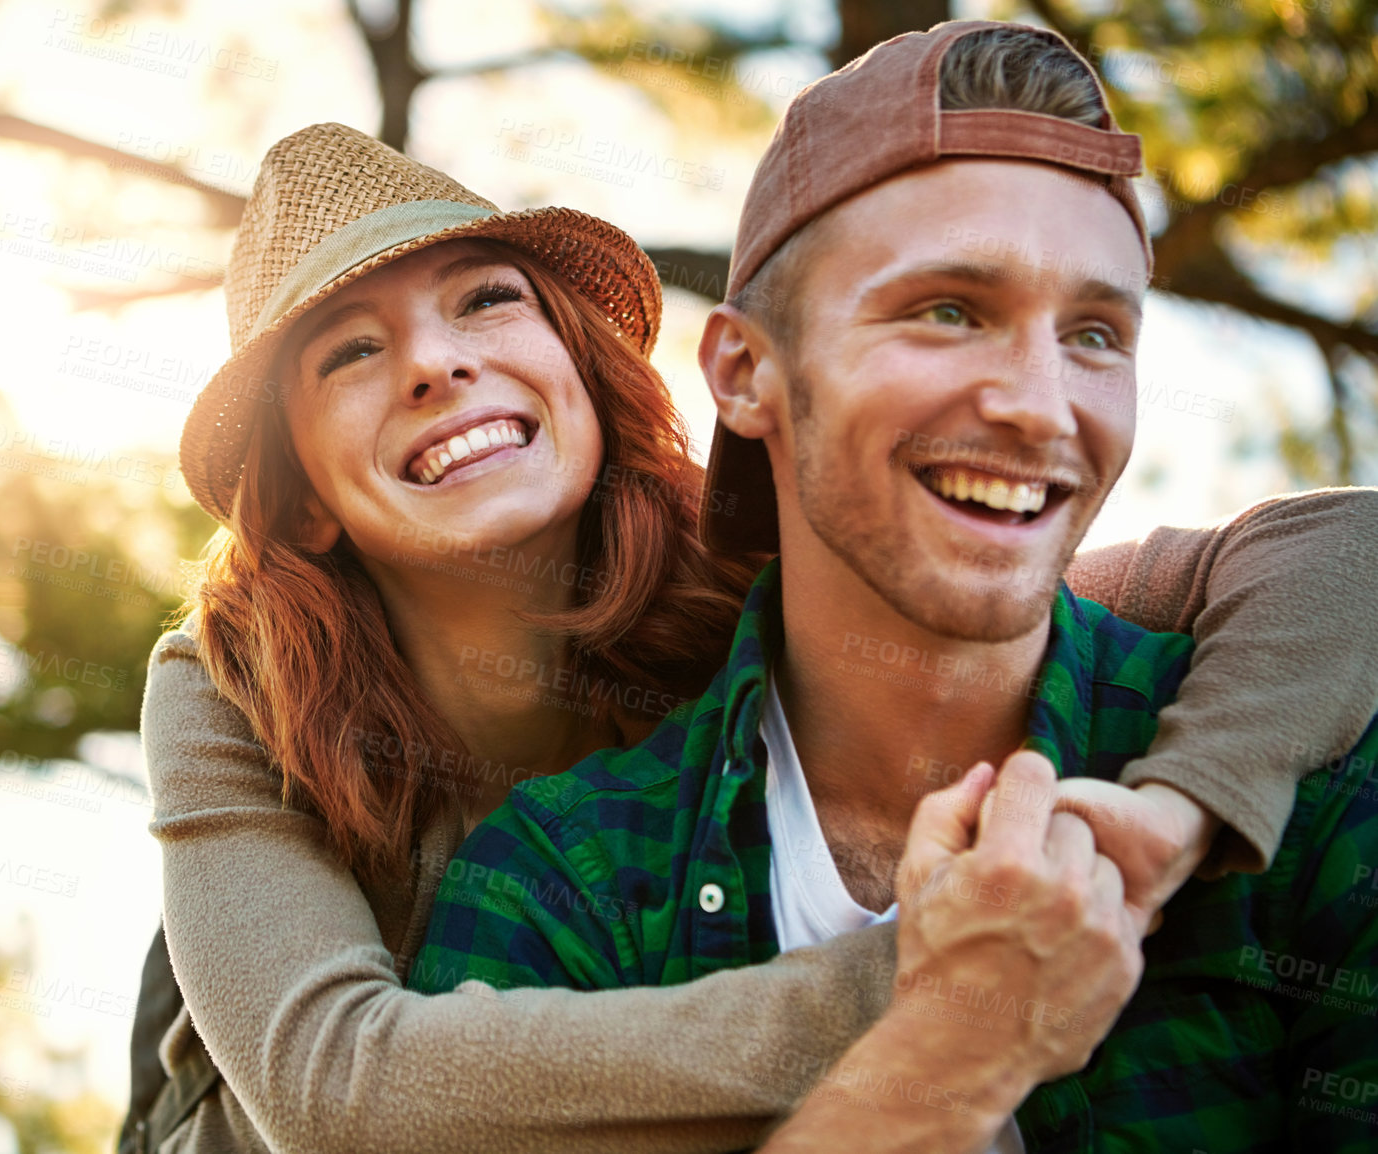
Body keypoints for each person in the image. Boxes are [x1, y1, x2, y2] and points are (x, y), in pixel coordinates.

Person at [123, 117, 1378, 1154]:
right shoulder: (225, 676)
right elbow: (332, 1090)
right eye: (353, 349)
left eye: (487, 300)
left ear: (581, 363)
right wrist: (928, 983)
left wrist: (1182, 801)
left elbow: (1323, 555)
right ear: (299, 494)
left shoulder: (740, 575)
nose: (436, 365)